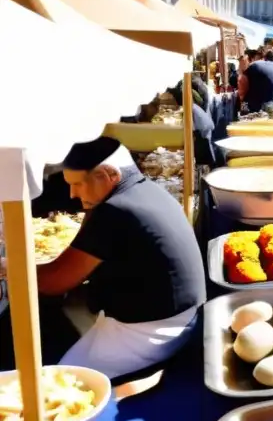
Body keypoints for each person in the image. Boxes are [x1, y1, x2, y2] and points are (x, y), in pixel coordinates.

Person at [24, 137, 205, 379]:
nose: (72, 193)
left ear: (108, 174)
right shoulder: (141, 191)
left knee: (60, 382)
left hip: (152, 332)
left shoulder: (116, 211)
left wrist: (8, 267)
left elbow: (54, 282)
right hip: (174, 317)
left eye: (77, 184)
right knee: (68, 358)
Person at [239, 48, 273, 115]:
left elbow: (241, 84)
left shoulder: (255, 65)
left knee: (245, 109)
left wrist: (241, 71)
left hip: (267, 108)